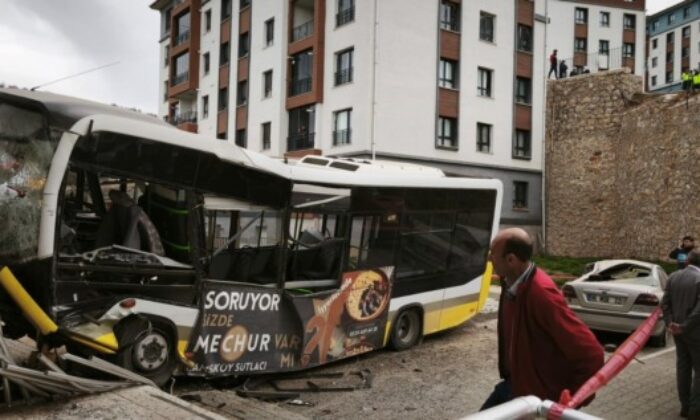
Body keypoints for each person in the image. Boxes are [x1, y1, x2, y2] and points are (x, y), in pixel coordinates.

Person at [480, 228, 604, 410]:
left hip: (535, 399)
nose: (490, 258)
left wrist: (570, 402)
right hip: (514, 385)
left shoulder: (541, 294)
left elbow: (592, 353)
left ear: (511, 260)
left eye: (493, 254)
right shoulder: (511, 282)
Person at [661, 251, 700, 419]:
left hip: (677, 332)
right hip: (695, 332)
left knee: (683, 368)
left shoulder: (673, 276)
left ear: (688, 261)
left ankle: (684, 407)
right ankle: (695, 410)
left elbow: (665, 303)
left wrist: (670, 323)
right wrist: (684, 326)